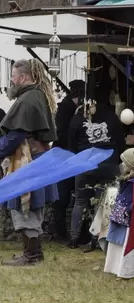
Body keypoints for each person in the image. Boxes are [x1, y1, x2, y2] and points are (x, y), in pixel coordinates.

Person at [0, 59, 58, 266]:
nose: (12, 80)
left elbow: (18, 133)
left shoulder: (29, 99)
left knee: (25, 206)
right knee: (30, 208)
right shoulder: (37, 96)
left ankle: (31, 255)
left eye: (13, 76)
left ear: (22, 77)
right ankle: (33, 254)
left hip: (27, 160)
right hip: (36, 158)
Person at [66, 84, 122, 248]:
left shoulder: (78, 117)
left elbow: (71, 142)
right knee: (102, 202)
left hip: (85, 164)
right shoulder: (111, 116)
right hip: (108, 165)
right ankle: (96, 239)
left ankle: (74, 238)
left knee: (80, 201)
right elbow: (120, 141)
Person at [51, 79, 85, 241]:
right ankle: (60, 231)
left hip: (68, 155)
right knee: (63, 195)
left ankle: (66, 231)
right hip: (65, 156)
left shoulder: (69, 107)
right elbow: (61, 133)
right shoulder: (67, 108)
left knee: (68, 194)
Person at [105, 148, 134, 279]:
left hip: (127, 218)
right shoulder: (126, 181)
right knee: (117, 242)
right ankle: (115, 266)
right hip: (120, 217)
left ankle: (124, 269)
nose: (122, 166)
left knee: (124, 242)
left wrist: (127, 209)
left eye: (125, 163)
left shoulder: (131, 183)